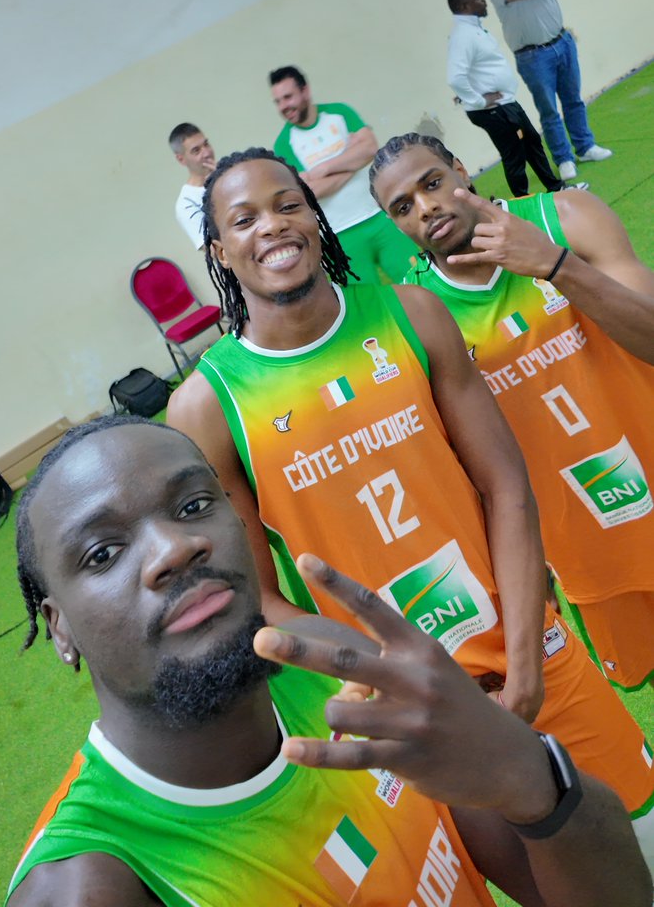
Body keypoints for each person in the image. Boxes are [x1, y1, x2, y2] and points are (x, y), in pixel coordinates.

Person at [166, 147, 654, 855]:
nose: (270, 226)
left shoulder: (412, 313)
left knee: (638, 835)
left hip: (533, 654)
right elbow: (261, 603)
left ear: (316, 216)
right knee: (536, 881)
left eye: (287, 204)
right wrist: (401, 684)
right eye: (244, 219)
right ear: (218, 250)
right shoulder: (206, 408)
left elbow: (504, 486)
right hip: (406, 713)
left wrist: (522, 670)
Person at [7, 415, 652, 906]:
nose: (175, 547)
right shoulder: (91, 884)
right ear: (59, 628)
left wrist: (531, 775)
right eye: (102, 553)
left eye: (194, 505)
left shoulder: (334, 667)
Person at [369, 132, 654, 692]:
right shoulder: (417, 314)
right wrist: (518, 561)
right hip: (584, 538)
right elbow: (462, 459)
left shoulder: (565, 215)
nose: (426, 207)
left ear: (459, 170)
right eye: (402, 207)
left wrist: (555, 265)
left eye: (432, 184)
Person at [483, 0, 612, 182]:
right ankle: (564, 158)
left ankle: (585, 147)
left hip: (562, 42)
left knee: (573, 100)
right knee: (549, 110)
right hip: (533, 56)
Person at [270, 64, 416, 282]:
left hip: (380, 216)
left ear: (305, 91)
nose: (283, 106)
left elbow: (369, 148)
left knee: (418, 279)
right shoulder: (283, 144)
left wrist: (323, 169)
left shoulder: (339, 112)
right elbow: (309, 191)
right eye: (278, 101)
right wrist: (351, 159)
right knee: (369, 306)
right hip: (340, 235)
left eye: (288, 97)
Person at [446, 0, 575, 197]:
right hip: (493, 110)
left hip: (505, 103)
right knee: (514, 155)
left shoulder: (473, 29)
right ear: (464, 5)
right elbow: (455, 77)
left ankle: (556, 188)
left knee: (532, 142)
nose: (483, 0)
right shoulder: (463, 35)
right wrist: (479, 101)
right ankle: (522, 203)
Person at [169, 123, 216, 250]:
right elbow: (213, 251)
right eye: (196, 151)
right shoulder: (186, 203)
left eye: (206, 144)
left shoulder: (231, 176)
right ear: (181, 159)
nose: (206, 153)